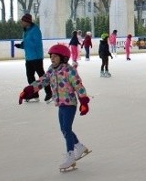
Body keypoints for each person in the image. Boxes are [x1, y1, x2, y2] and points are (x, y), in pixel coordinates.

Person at [18, 44, 91, 172]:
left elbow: (79, 86)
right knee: (63, 129)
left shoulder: (69, 70)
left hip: (69, 103)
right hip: (60, 103)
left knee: (66, 129)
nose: (52, 58)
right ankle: (79, 147)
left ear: (63, 58)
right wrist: (28, 90)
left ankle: (70, 156)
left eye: (55, 56)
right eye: (51, 56)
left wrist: (84, 102)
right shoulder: (52, 69)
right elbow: (42, 81)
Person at [15, 13, 52, 103]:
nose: (21, 23)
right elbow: (27, 43)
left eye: (23, 21)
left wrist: (25, 44)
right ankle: (34, 93)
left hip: (36, 57)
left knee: (42, 76)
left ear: (27, 22)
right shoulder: (26, 31)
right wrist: (21, 45)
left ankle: (49, 93)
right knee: (30, 76)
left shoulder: (35, 30)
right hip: (29, 57)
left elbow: (36, 43)